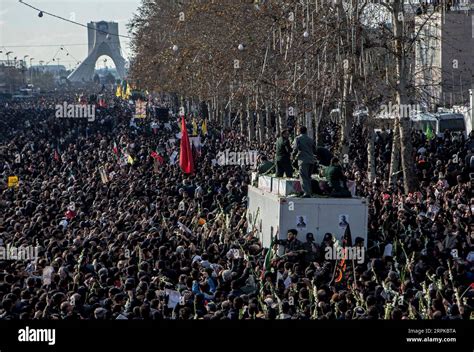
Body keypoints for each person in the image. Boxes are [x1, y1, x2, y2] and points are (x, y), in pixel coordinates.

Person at [292, 126, 316, 198]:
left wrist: (293, 157)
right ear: (306, 131)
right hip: (311, 160)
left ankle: (306, 192)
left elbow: (295, 149)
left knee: (303, 177)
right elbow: (315, 150)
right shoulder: (310, 139)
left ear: (299, 131)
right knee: (308, 177)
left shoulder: (298, 139)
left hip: (303, 160)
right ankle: (309, 191)